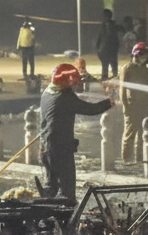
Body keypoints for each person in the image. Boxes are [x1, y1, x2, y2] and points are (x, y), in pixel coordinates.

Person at [39, 63, 112, 198]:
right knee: (66, 190)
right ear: (65, 81)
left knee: (51, 187)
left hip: (45, 148)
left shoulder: (47, 93)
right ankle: (66, 216)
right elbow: (89, 109)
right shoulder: (64, 98)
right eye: (72, 82)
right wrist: (108, 103)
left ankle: (45, 213)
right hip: (60, 149)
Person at [119, 43, 148, 164]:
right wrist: (125, 106)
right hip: (132, 105)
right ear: (138, 54)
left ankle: (139, 158)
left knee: (142, 134)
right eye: (143, 54)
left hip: (143, 105)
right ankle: (126, 158)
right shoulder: (128, 68)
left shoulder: (145, 69)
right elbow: (122, 89)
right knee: (130, 133)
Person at [95, 8, 120, 79]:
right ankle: (112, 78)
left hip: (106, 49)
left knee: (106, 66)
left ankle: (107, 80)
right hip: (110, 49)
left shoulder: (107, 25)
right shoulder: (111, 25)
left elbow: (104, 37)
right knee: (112, 66)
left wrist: (99, 49)